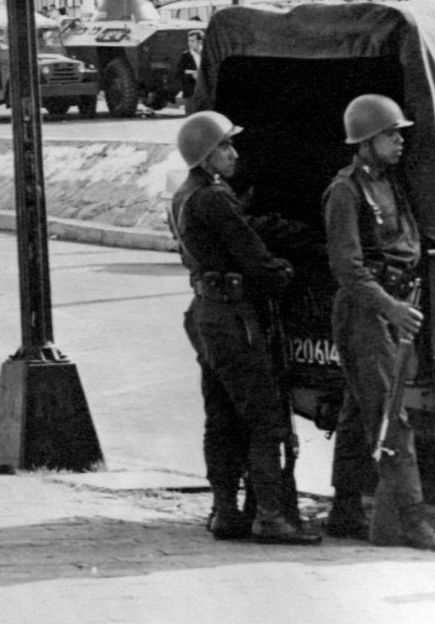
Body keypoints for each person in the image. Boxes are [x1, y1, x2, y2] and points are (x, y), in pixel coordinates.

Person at [170, 112, 320, 545]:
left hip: (205, 311)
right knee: (265, 415)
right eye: (225, 147)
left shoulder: (185, 195)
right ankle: (272, 516)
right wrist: (284, 271)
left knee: (221, 416)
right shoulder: (215, 198)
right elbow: (254, 258)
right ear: (205, 155)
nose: (234, 154)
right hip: (233, 317)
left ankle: (225, 510)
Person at [322, 94, 435, 553]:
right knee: (392, 417)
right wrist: (391, 307)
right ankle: (414, 523)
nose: (399, 140)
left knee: (354, 411)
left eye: (399, 132)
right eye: (389, 134)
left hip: (391, 308)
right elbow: (348, 268)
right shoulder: (346, 191)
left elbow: (408, 242)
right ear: (364, 141)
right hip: (367, 313)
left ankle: (344, 509)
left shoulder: (389, 183)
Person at [177, 30, 203, 115]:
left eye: (192, 41)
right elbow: (179, 74)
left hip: (205, 94)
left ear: (200, 41)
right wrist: (192, 75)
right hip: (190, 94)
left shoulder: (207, 55)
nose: (190, 43)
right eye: (189, 41)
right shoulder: (185, 56)